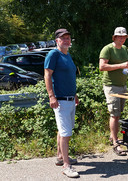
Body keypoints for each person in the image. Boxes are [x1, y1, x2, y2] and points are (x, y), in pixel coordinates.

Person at [44, 28, 79, 178]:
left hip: (70, 99)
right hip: (60, 101)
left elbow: (70, 78)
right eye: (63, 38)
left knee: (64, 130)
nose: (66, 40)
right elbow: (47, 74)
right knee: (66, 134)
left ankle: (60, 157)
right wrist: (51, 96)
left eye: (68, 38)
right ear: (57, 40)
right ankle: (66, 165)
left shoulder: (67, 55)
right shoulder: (53, 54)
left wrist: (75, 95)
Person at [99, 27, 128, 156]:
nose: (121, 38)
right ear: (114, 37)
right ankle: (116, 143)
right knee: (114, 114)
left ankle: (112, 136)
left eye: (123, 37)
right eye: (119, 36)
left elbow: (127, 66)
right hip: (111, 86)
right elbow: (102, 66)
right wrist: (122, 65)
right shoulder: (108, 49)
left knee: (118, 113)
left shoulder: (125, 49)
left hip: (122, 85)